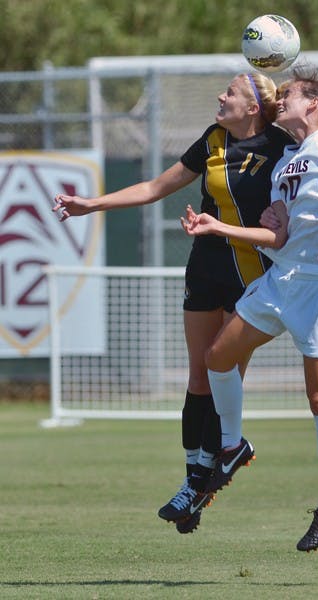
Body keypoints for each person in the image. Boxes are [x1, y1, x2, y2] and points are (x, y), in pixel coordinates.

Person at [53, 72, 295, 533]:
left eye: (231, 92)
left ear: (253, 108)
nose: (220, 96)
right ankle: (194, 484)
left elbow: (306, 192)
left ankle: (204, 482)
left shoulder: (283, 147)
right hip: (205, 266)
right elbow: (153, 188)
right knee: (199, 375)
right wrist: (92, 204)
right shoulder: (213, 140)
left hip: (252, 275)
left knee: (222, 370)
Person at [181, 68, 318, 550]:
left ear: (313, 104)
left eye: (291, 93)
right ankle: (231, 444)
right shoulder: (285, 162)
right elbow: (277, 236)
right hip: (281, 280)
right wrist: (219, 228)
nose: (283, 99)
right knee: (217, 356)